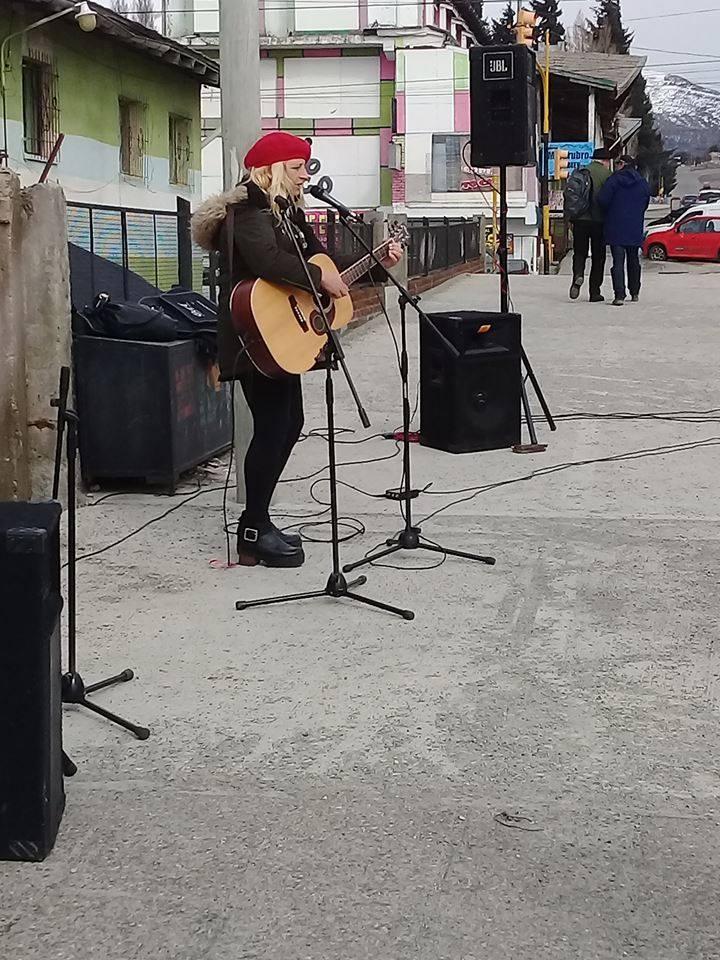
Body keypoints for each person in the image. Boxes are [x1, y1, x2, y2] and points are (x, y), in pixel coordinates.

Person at [191, 132, 402, 568]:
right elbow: (268, 261)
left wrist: (376, 263)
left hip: (283, 337)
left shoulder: (288, 212)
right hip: (255, 336)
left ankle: (259, 522)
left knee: (289, 424)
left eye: (307, 166)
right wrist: (316, 276)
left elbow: (325, 264)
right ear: (268, 170)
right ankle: (252, 530)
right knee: (272, 426)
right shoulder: (247, 208)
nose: (306, 175)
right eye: (297, 167)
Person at [597, 155, 651, 306]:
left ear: (622, 164)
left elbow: (602, 200)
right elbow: (646, 202)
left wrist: (611, 212)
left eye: (618, 163)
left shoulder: (614, 180)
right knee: (633, 261)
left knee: (618, 262)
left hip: (616, 226)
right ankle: (635, 292)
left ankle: (619, 295)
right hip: (634, 227)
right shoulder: (642, 183)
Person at [568, 147, 612, 303]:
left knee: (579, 252)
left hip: (580, 220)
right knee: (598, 257)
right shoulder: (607, 175)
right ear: (606, 161)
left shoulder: (582, 172)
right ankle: (595, 292)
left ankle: (578, 275)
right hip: (599, 222)